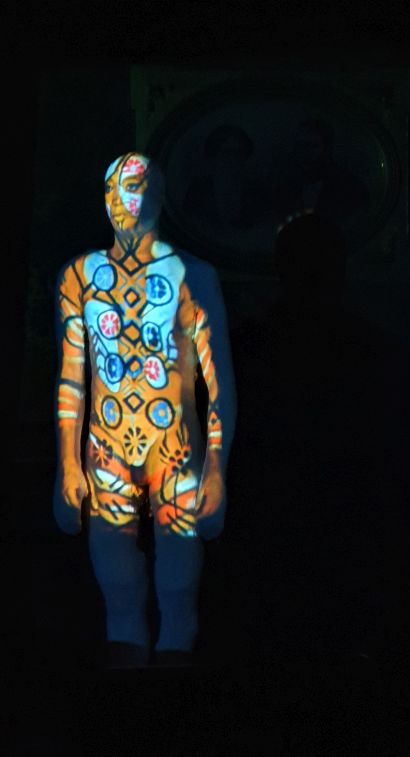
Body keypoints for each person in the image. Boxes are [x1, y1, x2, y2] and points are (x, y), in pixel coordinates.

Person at [54, 151, 236, 667]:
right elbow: (72, 378)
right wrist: (67, 465)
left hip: (175, 450)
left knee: (178, 594)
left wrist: (217, 471)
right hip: (105, 451)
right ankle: (127, 706)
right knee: (117, 592)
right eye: (114, 188)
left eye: (135, 186)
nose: (122, 200)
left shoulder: (192, 275)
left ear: (160, 194)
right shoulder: (78, 277)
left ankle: (172, 703)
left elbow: (219, 383)